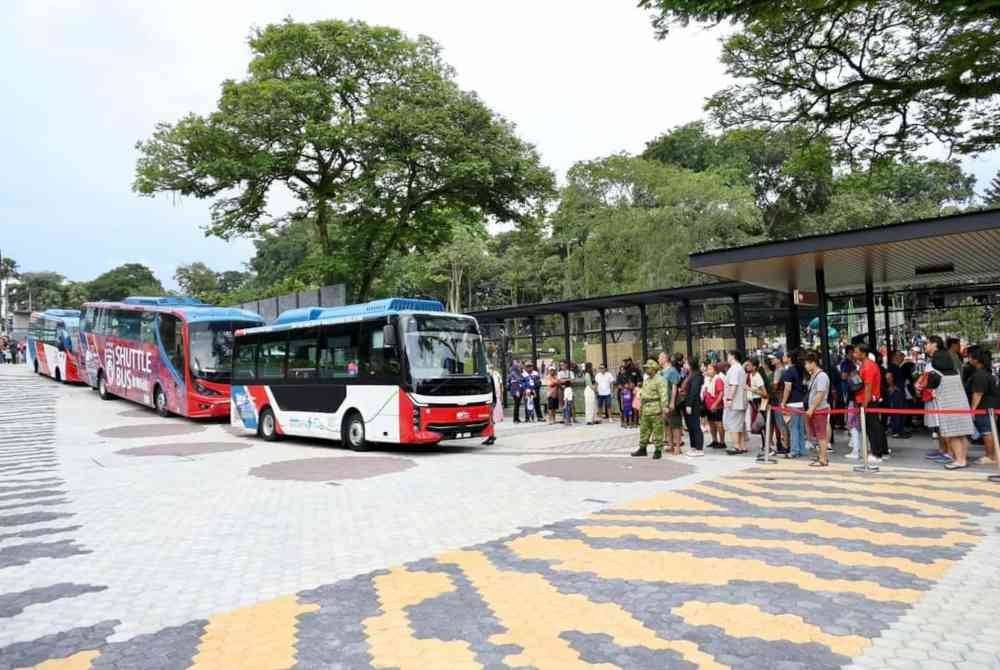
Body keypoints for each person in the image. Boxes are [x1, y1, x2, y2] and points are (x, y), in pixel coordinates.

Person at [922, 336, 973, 469]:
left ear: (934, 345)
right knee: (962, 434)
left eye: (927, 344)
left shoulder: (935, 371)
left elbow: (929, 385)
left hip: (948, 404)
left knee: (953, 434)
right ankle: (962, 458)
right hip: (961, 402)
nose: (925, 346)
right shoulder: (954, 370)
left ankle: (959, 461)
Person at [853, 343, 888, 465]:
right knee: (872, 426)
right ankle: (880, 450)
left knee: (873, 427)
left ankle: (877, 453)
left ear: (863, 353)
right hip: (867, 400)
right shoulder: (865, 365)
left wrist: (864, 404)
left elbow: (868, 387)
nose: (854, 354)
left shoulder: (868, 366)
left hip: (868, 401)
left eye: (856, 352)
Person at [631, 359, 668, 459]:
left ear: (654, 368)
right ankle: (642, 448)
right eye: (645, 368)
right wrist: (641, 407)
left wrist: (664, 408)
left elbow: (663, 395)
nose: (646, 369)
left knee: (657, 430)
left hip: (656, 408)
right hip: (646, 408)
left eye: (648, 368)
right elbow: (644, 394)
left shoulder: (660, 380)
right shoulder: (646, 380)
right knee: (644, 429)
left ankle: (658, 450)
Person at [967, 349, 998, 465]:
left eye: (970, 357)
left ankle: (990, 456)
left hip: (985, 408)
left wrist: (972, 410)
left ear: (977, 360)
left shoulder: (980, 375)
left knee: (987, 432)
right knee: (987, 431)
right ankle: (991, 454)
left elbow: (978, 393)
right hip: (988, 407)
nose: (969, 359)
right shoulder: (985, 373)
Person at [804, 352, 831, 466]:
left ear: (813, 363)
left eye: (807, 363)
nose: (805, 366)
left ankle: (823, 458)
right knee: (818, 434)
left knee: (821, 435)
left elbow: (820, 394)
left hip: (819, 409)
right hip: (815, 409)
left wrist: (812, 408)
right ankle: (821, 455)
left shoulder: (822, 376)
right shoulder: (813, 376)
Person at [780, 349, 808, 458]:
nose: (783, 357)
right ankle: (802, 449)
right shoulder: (800, 370)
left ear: (789, 358)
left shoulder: (788, 372)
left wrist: (783, 401)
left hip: (792, 403)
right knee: (800, 427)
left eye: (785, 356)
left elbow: (787, 388)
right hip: (801, 402)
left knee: (793, 428)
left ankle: (795, 450)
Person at [659, 352, 685, 455]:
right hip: (664, 401)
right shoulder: (662, 371)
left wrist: (672, 402)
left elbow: (674, 387)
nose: (658, 359)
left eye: (660, 357)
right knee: (667, 424)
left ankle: (677, 446)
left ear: (665, 358)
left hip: (671, 400)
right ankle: (670, 445)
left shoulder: (672, 371)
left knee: (675, 424)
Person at [723, 350, 748, 455]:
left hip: (735, 402)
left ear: (733, 356)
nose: (727, 358)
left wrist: (729, 399)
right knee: (739, 425)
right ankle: (742, 446)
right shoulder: (740, 368)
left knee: (733, 424)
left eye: (728, 355)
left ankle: (736, 446)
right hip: (740, 401)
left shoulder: (734, 369)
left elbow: (734, 385)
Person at [682, 358, 705, 456]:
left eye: (686, 363)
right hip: (687, 402)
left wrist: (689, 404)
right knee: (690, 426)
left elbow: (694, 391)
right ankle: (693, 446)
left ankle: (699, 448)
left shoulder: (697, 375)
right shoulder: (689, 374)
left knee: (695, 426)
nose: (684, 365)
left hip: (693, 404)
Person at [703, 362, 726, 449]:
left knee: (719, 423)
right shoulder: (708, 380)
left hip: (717, 406)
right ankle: (714, 440)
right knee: (711, 423)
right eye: (708, 369)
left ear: (715, 370)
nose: (708, 371)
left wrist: (715, 404)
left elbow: (721, 393)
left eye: (710, 369)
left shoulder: (718, 379)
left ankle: (722, 441)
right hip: (709, 406)